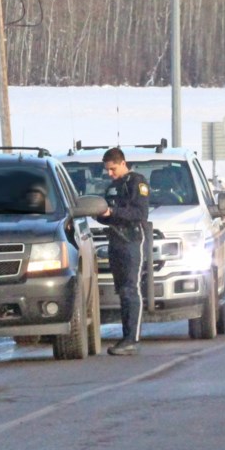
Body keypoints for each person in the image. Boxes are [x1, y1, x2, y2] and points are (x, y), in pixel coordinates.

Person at [95, 147, 150, 355]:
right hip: (115, 240)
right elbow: (106, 214)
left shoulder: (137, 182)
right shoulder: (112, 187)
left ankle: (131, 339)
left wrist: (113, 212)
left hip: (133, 239)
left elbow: (139, 212)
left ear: (123, 163)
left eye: (113, 169)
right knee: (122, 290)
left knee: (130, 288)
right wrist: (100, 213)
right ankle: (125, 336)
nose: (110, 173)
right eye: (107, 170)